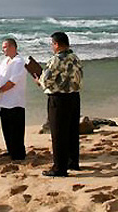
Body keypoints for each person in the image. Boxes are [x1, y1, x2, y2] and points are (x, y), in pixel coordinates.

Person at [34, 32, 83, 177]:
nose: (51, 47)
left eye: (52, 44)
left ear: (56, 44)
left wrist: (38, 80)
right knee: (72, 131)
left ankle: (59, 168)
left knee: (58, 133)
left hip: (59, 99)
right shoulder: (75, 58)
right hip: (74, 96)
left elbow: (46, 80)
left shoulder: (56, 59)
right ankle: (73, 161)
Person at [0, 38, 27, 160]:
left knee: (16, 129)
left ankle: (18, 154)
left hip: (15, 101)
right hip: (4, 101)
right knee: (6, 128)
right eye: (3, 47)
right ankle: (10, 150)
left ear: (13, 47)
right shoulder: (5, 60)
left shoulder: (19, 62)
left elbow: (12, 82)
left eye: (5, 47)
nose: (3, 49)